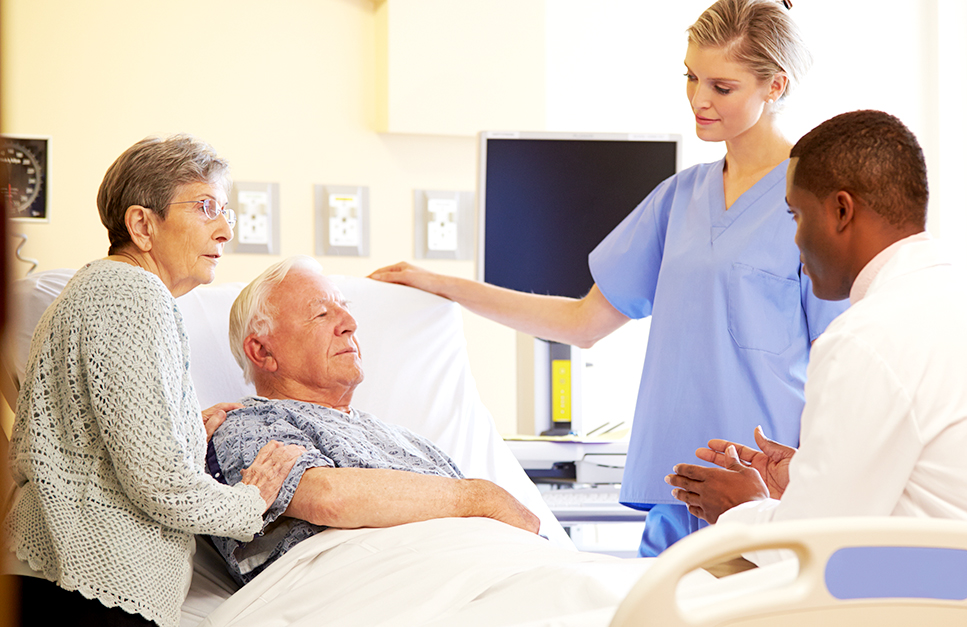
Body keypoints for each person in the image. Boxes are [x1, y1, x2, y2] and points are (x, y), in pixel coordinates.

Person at [369, 0, 848, 557]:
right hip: (678, 480)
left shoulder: (813, 201)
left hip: (765, 488)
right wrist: (445, 286)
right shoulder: (680, 199)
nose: (698, 99)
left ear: (774, 86)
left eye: (722, 86)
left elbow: (838, 365)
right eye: (691, 78)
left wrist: (811, 478)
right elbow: (584, 321)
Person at [666, 110, 967, 606]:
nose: (794, 239)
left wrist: (740, 508)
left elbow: (810, 552)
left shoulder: (862, 338)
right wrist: (807, 474)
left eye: (796, 215)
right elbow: (952, 476)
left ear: (841, 211)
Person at [3, 135, 304, 627]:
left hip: (55, 573)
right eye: (206, 207)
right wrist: (252, 501)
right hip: (87, 587)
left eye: (225, 210)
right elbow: (160, 485)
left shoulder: (97, 289)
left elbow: (102, 443)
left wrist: (185, 430)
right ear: (142, 224)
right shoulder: (132, 296)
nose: (226, 229)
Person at [206, 256, 543, 585]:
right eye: (321, 313)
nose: (349, 323)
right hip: (390, 585)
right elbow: (328, 498)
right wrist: (478, 498)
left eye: (345, 308)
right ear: (262, 352)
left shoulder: (407, 440)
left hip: (490, 567)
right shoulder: (248, 424)